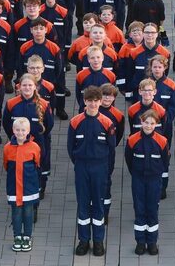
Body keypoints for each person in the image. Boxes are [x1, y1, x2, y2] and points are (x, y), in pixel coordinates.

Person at [68, 86, 115, 256]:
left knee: (98, 205)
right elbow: (70, 147)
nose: (93, 104)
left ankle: (98, 241)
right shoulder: (75, 122)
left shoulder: (107, 123)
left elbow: (111, 150)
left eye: (96, 101)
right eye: (90, 101)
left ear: (101, 102)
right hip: (82, 167)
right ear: (85, 102)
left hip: (100, 168)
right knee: (83, 205)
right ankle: (83, 240)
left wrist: (107, 171)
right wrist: (79, 163)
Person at [124, 110, 168, 255]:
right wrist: (136, 173)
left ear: (156, 124)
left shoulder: (162, 141)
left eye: (152, 123)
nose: (148, 126)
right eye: (146, 122)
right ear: (141, 122)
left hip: (154, 180)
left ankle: (152, 242)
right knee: (139, 209)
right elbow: (129, 160)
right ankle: (140, 242)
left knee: (152, 210)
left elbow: (164, 162)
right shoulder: (132, 139)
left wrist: (156, 174)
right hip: (138, 179)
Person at [3, 116, 42, 252]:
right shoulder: (8, 148)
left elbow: (37, 164)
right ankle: (17, 236)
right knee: (16, 213)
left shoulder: (34, 147)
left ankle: (27, 236)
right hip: (14, 187)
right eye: (18, 130)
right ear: (13, 130)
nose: (20, 133)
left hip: (29, 187)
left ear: (28, 131)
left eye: (23, 130)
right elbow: (6, 164)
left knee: (28, 213)